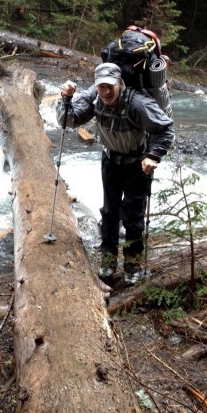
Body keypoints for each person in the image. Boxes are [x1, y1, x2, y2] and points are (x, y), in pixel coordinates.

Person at [57, 62, 175, 285]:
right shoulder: (95, 97)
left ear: (120, 83)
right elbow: (67, 120)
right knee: (109, 212)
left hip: (138, 164)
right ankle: (108, 261)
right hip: (111, 161)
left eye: (110, 86)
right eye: (102, 86)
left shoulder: (138, 103)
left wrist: (153, 155)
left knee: (133, 217)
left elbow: (166, 128)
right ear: (96, 86)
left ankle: (132, 266)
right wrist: (66, 98)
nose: (106, 91)